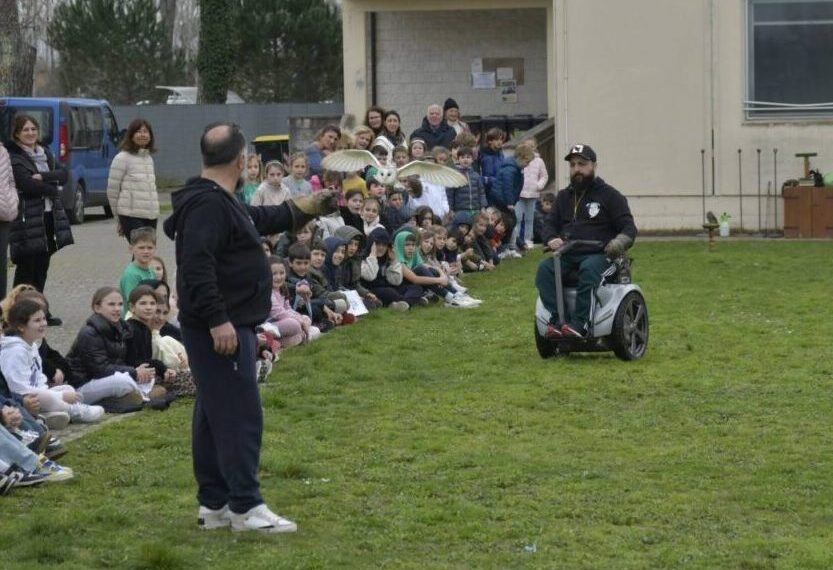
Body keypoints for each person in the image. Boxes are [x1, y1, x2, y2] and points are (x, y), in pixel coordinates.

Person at [161, 121, 335, 533]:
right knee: (241, 414)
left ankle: (215, 504)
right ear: (241, 161)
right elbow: (196, 268)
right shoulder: (207, 205)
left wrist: (305, 207)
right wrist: (218, 320)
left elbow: (257, 217)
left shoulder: (219, 198)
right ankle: (246, 506)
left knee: (212, 414)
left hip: (224, 324)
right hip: (220, 328)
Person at [535, 144, 637, 338]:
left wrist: (618, 243)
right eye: (572, 165)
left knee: (589, 269)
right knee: (544, 269)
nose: (577, 169)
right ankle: (557, 321)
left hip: (602, 256)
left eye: (582, 164)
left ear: (594, 166)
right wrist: (551, 238)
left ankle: (580, 324)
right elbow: (548, 225)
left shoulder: (611, 196)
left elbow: (629, 229)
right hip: (568, 255)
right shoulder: (563, 197)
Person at [6, 115, 73, 326]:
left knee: (41, 267)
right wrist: (52, 188)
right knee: (27, 267)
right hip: (26, 218)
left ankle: (39, 310)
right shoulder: (14, 156)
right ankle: (17, 312)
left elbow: (64, 174)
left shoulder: (45, 152)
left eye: (33, 129)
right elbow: (26, 185)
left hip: (48, 215)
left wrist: (44, 177)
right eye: (25, 130)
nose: (30, 133)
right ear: (17, 134)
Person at [1, 298, 105, 423]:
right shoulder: (14, 351)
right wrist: (59, 396)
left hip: (37, 394)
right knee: (47, 396)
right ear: (21, 326)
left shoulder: (32, 346)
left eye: (44, 319)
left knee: (67, 388)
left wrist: (52, 392)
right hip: (22, 399)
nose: (43, 323)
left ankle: (46, 415)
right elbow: (17, 387)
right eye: (37, 320)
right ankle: (73, 411)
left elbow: (38, 377)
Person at [66, 287, 149, 410]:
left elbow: (123, 361)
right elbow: (100, 369)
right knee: (123, 381)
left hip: (106, 379)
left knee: (144, 376)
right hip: (83, 385)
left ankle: (132, 396)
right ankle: (142, 396)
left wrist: (140, 372)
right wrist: (133, 372)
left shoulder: (122, 328)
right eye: (111, 304)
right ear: (97, 308)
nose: (117, 309)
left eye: (120, 304)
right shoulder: (89, 332)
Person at [107, 119, 160, 242]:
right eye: (138, 131)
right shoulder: (122, 158)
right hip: (130, 215)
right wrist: (119, 219)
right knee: (140, 248)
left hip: (151, 215)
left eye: (145, 132)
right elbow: (112, 191)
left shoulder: (149, 159)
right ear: (131, 135)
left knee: (148, 250)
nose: (142, 135)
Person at [511, 140, 549, 249]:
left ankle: (528, 239)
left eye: (532, 146)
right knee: (518, 218)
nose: (530, 148)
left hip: (533, 194)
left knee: (529, 219)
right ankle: (516, 241)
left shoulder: (539, 161)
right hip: (520, 194)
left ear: (535, 146)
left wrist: (539, 185)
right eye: (528, 146)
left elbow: (544, 176)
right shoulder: (520, 159)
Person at [119, 227, 158, 316]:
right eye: (141, 248)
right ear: (131, 249)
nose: (146, 251)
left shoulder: (151, 270)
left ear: (155, 249)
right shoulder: (131, 275)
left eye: (150, 248)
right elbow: (132, 304)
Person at [0, 143, 19, 299]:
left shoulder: (2, 151)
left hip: (3, 216)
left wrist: (12, 199)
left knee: (1, 266)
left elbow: (11, 181)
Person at [446, 146, 486, 216]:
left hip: (476, 210)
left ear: (472, 159)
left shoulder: (476, 175)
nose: (465, 159)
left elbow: (481, 193)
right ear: (458, 159)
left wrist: (483, 207)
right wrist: (451, 209)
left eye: (468, 157)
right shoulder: (455, 175)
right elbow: (450, 194)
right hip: (460, 210)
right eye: (462, 157)